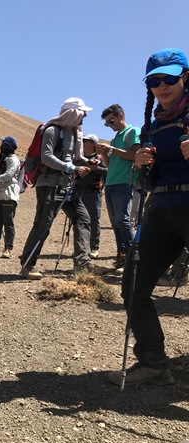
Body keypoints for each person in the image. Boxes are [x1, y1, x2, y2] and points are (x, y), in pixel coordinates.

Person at [108, 48, 189, 386]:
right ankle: (154, 362)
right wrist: (145, 165)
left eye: (170, 77)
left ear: (185, 76)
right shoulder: (153, 125)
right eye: (154, 80)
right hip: (163, 209)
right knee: (133, 285)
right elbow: (148, 182)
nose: (162, 85)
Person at [19, 98, 106, 280]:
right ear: (73, 113)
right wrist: (74, 169)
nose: (85, 116)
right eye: (82, 112)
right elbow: (46, 157)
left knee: (83, 218)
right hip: (49, 184)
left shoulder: (75, 134)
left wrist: (86, 162)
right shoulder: (52, 130)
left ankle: (82, 264)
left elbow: (74, 158)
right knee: (43, 224)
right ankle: (27, 265)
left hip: (66, 185)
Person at [97, 104, 141, 274]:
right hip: (111, 183)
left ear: (120, 115)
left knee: (122, 221)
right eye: (107, 123)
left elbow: (136, 155)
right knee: (116, 223)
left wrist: (113, 149)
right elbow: (110, 164)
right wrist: (106, 154)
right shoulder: (116, 138)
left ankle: (135, 259)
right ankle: (122, 257)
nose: (110, 124)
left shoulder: (132, 132)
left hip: (124, 183)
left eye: (111, 120)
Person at [73, 134, 107, 258]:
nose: (83, 142)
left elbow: (107, 172)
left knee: (93, 219)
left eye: (86, 141)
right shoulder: (79, 158)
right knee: (79, 219)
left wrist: (95, 169)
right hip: (77, 190)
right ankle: (82, 247)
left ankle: (94, 247)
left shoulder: (100, 157)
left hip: (93, 191)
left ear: (93, 143)